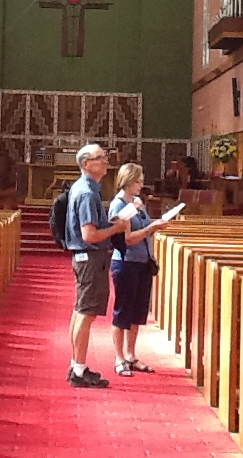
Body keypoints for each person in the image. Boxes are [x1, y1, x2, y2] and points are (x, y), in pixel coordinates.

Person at [65, 142, 131, 389]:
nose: (105, 161)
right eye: (100, 157)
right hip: (90, 258)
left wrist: (110, 223)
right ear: (86, 163)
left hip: (86, 258)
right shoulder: (87, 193)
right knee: (86, 313)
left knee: (81, 310)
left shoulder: (85, 188)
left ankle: (76, 365)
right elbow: (90, 235)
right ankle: (78, 370)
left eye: (105, 157)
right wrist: (116, 228)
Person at [109, 162, 171, 377]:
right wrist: (151, 227)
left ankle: (130, 354)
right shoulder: (118, 206)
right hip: (126, 262)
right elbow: (126, 239)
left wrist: (156, 224)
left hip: (143, 262)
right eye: (138, 181)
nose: (141, 185)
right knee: (123, 312)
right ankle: (119, 358)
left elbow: (143, 228)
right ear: (127, 181)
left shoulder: (137, 202)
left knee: (137, 312)